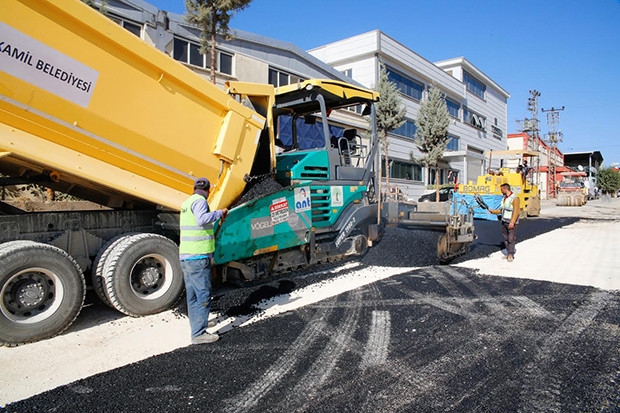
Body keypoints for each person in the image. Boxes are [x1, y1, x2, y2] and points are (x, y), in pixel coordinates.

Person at [179, 177, 228, 345]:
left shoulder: (187, 202)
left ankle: (199, 323)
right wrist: (219, 213)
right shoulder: (200, 202)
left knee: (192, 296)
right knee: (204, 295)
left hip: (186, 256)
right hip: (198, 257)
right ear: (208, 191)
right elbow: (201, 219)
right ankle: (198, 334)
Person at [487, 183, 520, 262]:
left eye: (502, 189)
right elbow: (502, 210)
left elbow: (516, 211)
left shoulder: (515, 198)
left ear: (505, 189)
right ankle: (508, 252)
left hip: (511, 222)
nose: (501, 191)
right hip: (504, 221)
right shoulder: (504, 198)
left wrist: (512, 222)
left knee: (511, 238)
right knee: (506, 238)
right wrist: (492, 211)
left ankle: (511, 254)